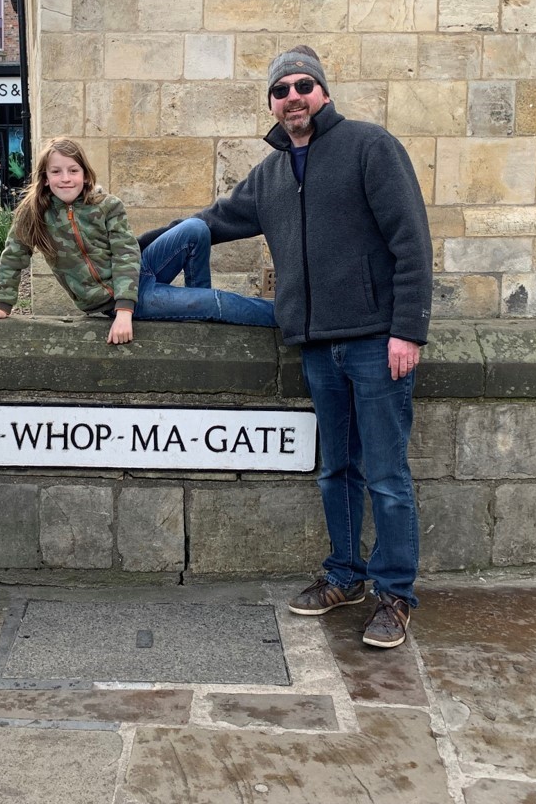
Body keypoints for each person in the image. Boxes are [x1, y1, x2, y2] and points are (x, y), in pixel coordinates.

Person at [144, 45, 432, 649]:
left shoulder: (369, 147)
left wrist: (408, 329)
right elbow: (213, 220)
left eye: (303, 85)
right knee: (335, 470)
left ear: (321, 91)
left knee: (385, 474)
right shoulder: (272, 175)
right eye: (281, 90)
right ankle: (345, 575)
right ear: (272, 104)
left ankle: (394, 594)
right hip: (314, 344)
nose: (293, 96)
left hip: (376, 342)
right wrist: (130, 255)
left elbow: (412, 240)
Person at [0, 137, 275, 345]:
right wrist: (3, 305)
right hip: (110, 301)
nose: (65, 178)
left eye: (73, 170)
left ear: (85, 175)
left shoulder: (106, 205)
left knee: (196, 228)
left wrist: (126, 308)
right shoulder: (34, 213)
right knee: (214, 302)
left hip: (135, 280)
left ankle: (198, 314)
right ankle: (280, 315)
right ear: (45, 177)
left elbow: (126, 251)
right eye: (56, 172)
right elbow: (13, 256)